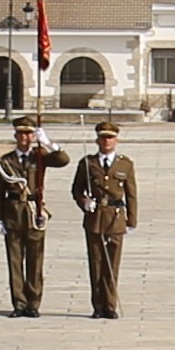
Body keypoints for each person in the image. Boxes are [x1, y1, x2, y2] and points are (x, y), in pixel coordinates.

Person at [73, 119, 139, 318]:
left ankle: (110, 305)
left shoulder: (125, 164)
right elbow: (77, 189)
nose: (106, 141)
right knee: (96, 263)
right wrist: (84, 201)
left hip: (115, 218)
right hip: (95, 218)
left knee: (112, 264)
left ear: (116, 140)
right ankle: (98, 306)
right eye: (103, 138)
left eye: (110, 138)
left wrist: (132, 220)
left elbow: (131, 194)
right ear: (97, 140)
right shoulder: (88, 163)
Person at [0, 120, 54, 317]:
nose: (24, 138)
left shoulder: (40, 156)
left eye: (28, 134)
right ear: (15, 137)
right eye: (21, 134)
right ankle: (19, 303)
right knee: (15, 261)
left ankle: (33, 303)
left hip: (34, 213)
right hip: (13, 214)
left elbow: (63, 159)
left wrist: (48, 143)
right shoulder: (6, 161)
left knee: (35, 261)